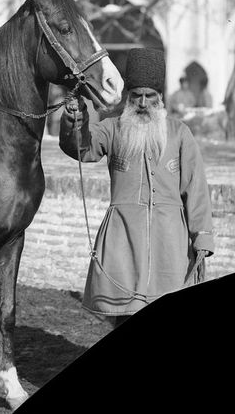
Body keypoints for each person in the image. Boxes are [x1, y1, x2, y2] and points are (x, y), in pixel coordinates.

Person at [59, 48, 215, 325]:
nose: (143, 103)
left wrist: (201, 238)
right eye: (137, 96)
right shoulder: (113, 128)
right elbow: (82, 148)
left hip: (170, 241)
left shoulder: (179, 132)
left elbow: (196, 189)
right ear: (128, 96)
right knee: (124, 315)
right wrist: (75, 120)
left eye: (150, 96)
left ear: (160, 97)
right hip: (122, 239)